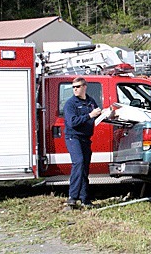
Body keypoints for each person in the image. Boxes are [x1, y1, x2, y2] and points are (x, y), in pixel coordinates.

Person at [63, 77, 102, 208]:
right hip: (73, 137)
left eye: (78, 86)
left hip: (85, 138)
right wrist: (90, 115)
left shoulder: (90, 101)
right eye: (73, 87)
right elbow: (72, 122)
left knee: (84, 168)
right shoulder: (70, 104)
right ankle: (72, 198)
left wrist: (108, 115)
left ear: (85, 87)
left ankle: (85, 199)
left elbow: (97, 114)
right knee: (78, 162)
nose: (75, 89)